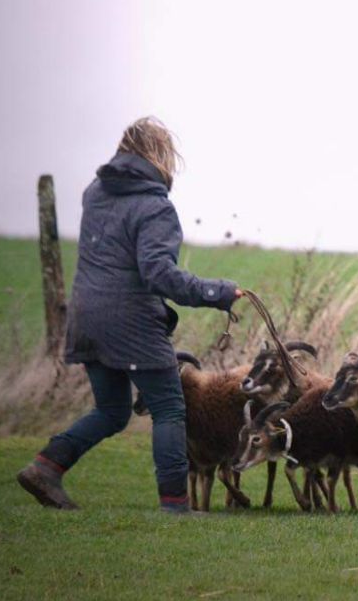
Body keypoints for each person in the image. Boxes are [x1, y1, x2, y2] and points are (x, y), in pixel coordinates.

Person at [17, 117, 242, 513]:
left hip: (86, 318)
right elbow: (159, 274)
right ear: (160, 157)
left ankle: (45, 468)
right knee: (170, 407)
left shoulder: (94, 193)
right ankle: (175, 506)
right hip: (130, 323)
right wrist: (218, 292)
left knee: (112, 410)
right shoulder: (156, 207)